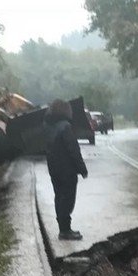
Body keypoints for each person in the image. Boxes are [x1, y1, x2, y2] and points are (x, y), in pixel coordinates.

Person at [43, 99, 88, 241]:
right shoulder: (65, 127)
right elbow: (73, 150)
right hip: (67, 170)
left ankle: (62, 228)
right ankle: (66, 230)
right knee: (68, 199)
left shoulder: (48, 126)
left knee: (59, 197)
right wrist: (82, 168)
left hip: (54, 169)